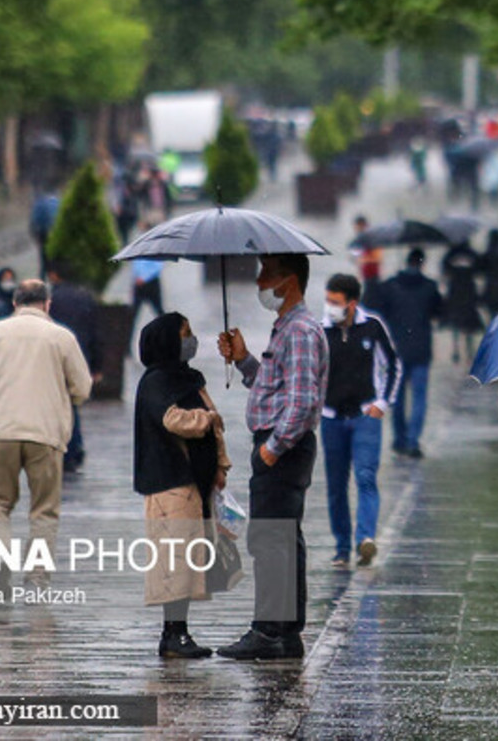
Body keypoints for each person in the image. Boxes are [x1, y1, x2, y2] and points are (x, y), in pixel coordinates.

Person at [216, 253, 328, 660]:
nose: (261, 282)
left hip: (283, 449)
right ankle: (285, 632)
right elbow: (274, 387)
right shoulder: (288, 328)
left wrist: (272, 448)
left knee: (270, 538)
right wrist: (244, 359)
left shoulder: (299, 331)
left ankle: (268, 631)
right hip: (283, 447)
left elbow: (300, 401)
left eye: (268, 274)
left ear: (290, 280)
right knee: (282, 537)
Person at [0, 279, 92, 595]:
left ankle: (1, 566)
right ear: (47, 304)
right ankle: (36, 578)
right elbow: (83, 389)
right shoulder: (62, 337)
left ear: (16, 304)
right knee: (44, 510)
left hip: (0, 431)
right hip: (45, 434)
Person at [134, 313, 231, 657]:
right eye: (185, 334)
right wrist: (206, 420)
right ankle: (173, 635)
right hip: (169, 483)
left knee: (188, 560)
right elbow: (174, 420)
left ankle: (180, 633)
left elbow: (212, 421)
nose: (191, 340)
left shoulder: (189, 378)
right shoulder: (157, 382)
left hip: (195, 482)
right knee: (173, 560)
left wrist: (221, 464)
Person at [320, 274, 402, 568]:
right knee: (336, 485)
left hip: (365, 416)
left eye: (336, 302)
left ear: (352, 303)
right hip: (330, 419)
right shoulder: (321, 331)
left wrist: (382, 403)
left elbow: (393, 365)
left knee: (366, 476)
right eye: (328, 300)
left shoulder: (372, 326)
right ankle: (341, 547)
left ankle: (364, 539)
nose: (330, 306)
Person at [370, 248, 443, 458]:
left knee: (397, 397)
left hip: (397, 351)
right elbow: (439, 311)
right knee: (419, 397)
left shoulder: (391, 286)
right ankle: (412, 441)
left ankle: (399, 439)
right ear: (422, 264)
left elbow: (377, 309)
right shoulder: (430, 287)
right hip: (421, 350)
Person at [47, 261, 103, 475]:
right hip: (81, 357)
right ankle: (74, 447)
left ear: (53, 275)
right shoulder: (84, 297)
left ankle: (64, 448)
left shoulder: (50, 300)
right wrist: (97, 364)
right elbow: (95, 331)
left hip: (55, 358)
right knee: (72, 402)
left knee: (58, 403)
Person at [441, 239, 484, 363]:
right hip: (469, 292)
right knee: (469, 322)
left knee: (455, 322)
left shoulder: (450, 254)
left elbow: (445, 270)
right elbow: (480, 269)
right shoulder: (472, 254)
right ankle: (469, 352)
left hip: (454, 292)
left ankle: (456, 350)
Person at [351, 215, 383, 307]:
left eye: (358, 226)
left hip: (372, 276)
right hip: (366, 276)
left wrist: (362, 259)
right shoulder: (362, 240)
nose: (356, 229)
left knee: (368, 301)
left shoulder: (372, 239)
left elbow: (377, 257)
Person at [30, 188, 60, 279]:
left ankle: (42, 280)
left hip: (42, 234)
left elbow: (34, 222)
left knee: (43, 260)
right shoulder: (57, 202)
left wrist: (35, 236)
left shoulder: (39, 203)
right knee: (55, 259)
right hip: (55, 234)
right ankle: (56, 279)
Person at [131, 258, 165, 334]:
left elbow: (158, 266)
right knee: (133, 313)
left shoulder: (154, 251)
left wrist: (144, 278)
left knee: (159, 310)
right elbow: (136, 266)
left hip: (151, 282)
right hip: (138, 284)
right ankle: (127, 339)